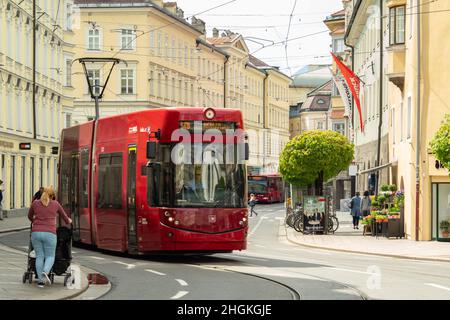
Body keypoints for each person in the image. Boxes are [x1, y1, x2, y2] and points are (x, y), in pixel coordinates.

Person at [28, 187, 72, 288]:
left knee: (39, 256)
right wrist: (69, 221)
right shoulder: (56, 204)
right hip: (50, 234)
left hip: (36, 233)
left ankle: (40, 281)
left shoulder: (35, 203)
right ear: (52, 196)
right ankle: (45, 271)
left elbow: (30, 216)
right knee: (50, 256)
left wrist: (35, 221)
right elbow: (65, 218)